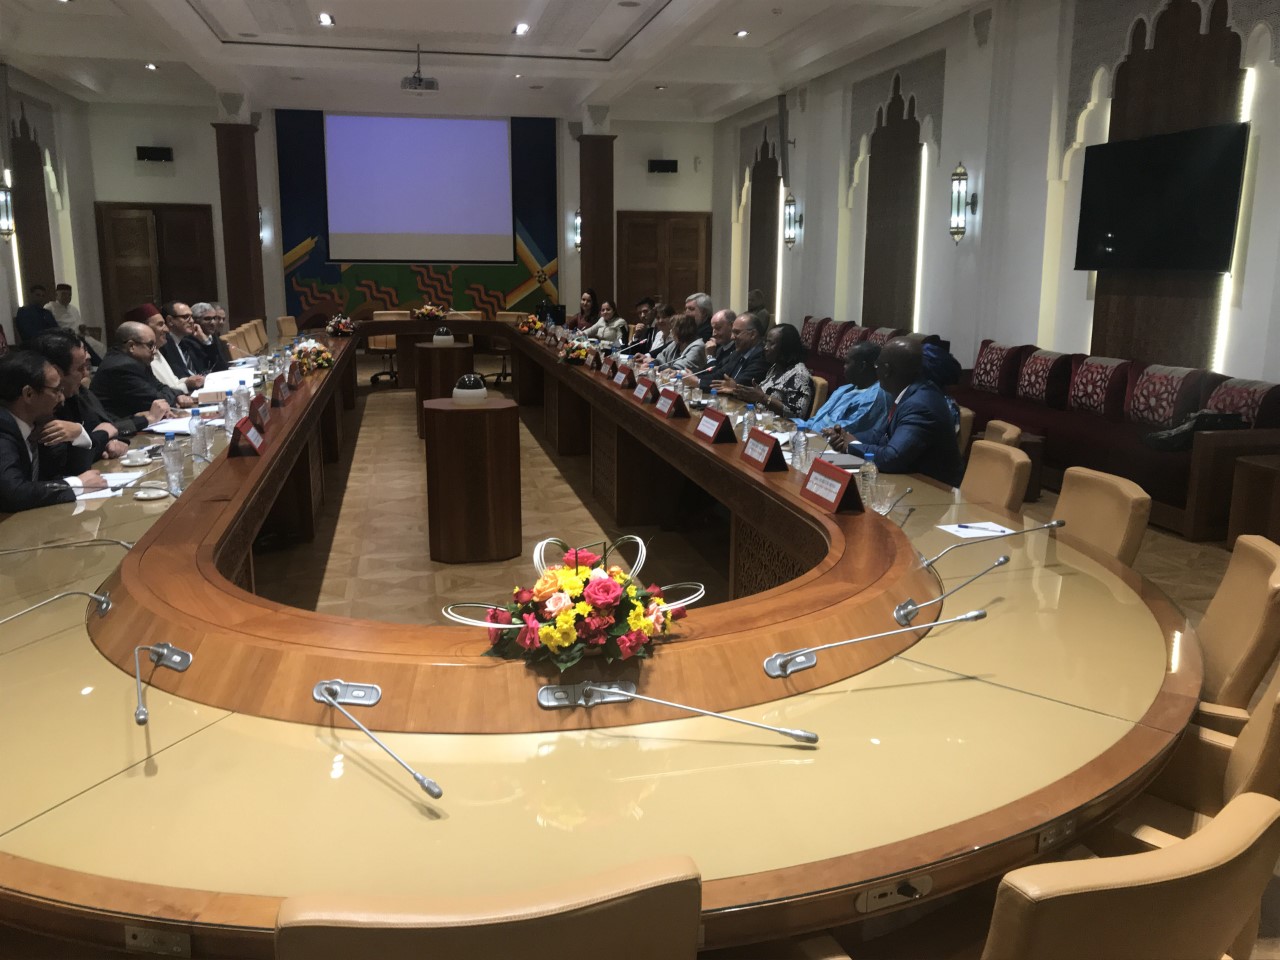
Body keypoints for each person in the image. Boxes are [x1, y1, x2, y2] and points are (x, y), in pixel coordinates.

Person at [824, 337, 963, 487]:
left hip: (932, 491)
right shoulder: (909, 393)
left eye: (877, 365)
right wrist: (845, 437)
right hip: (907, 481)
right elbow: (879, 435)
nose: (875, 370)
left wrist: (851, 445)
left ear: (887, 370)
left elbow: (892, 457)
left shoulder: (920, 405)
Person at [0, 350, 106, 512]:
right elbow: (13, 493)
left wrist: (78, 435)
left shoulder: (35, 424)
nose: (62, 398)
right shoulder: (3, 429)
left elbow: (66, 470)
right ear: (29, 394)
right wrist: (76, 485)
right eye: (56, 391)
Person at [29, 330, 129, 461]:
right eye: (80, 368)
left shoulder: (78, 393)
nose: (86, 374)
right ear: (56, 371)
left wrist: (113, 441)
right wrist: (97, 435)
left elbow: (108, 427)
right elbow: (63, 461)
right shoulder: (42, 407)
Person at [92, 320, 194, 419]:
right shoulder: (121, 367)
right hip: (119, 426)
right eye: (150, 345)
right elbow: (157, 401)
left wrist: (173, 395)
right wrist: (176, 395)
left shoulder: (136, 361)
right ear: (131, 346)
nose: (155, 351)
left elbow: (160, 386)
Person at [717, 322, 813, 419]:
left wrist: (763, 398)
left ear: (786, 347)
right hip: (761, 420)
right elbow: (760, 401)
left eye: (771, 343)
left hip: (781, 426)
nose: (765, 347)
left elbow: (798, 414)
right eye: (766, 342)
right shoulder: (775, 368)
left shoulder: (799, 374)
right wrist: (738, 391)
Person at [793, 341, 889, 435]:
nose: (844, 366)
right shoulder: (845, 389)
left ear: (862, 366)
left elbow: (843, 432)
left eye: (847, 362)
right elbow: (818, 418)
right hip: (812, 436)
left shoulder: (874, 398)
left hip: (827, 442)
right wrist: (799, 426)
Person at [704, 312, 768, 394]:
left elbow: (739, 385)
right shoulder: (737, 353)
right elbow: (718, 375)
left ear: (753, 334)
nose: (732, 337)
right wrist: (695, 380)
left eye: (737, 332)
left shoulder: (762, 356)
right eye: (732, 332)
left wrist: (697, 382)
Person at [679, 308, 735, 390]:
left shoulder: (736, 350)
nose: (713, 333)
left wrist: (710, 356)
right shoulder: (719, 348)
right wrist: (685, 373)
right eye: (713, 329)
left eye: (718, 328)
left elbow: (718, 376)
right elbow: (707, 372)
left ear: (732, 326)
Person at [189, 302, 230, 373]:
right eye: (207, 319)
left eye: (214, 318)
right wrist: (206, 342)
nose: (213, 323)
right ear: (195, 321)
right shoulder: (189, 342)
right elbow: (204, 368)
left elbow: (223, 366)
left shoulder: (215, 338)